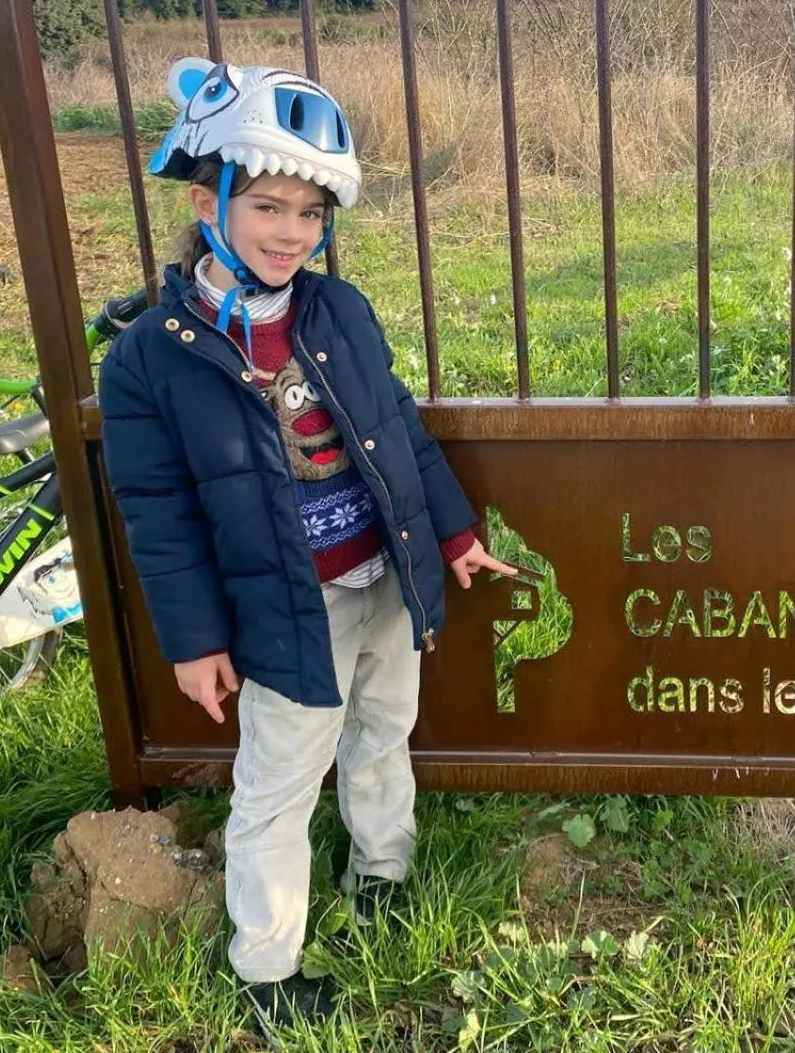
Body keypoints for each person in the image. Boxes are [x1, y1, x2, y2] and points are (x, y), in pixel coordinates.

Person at [99, 57, 515, 1026]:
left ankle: (382, 875)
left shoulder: (339, 313)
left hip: (381, 582)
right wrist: (195, 643)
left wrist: (450, 535)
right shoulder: (151, 360)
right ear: (209, 201)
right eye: (269, 209)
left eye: (311, 214)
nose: (292, 234)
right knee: (279, 784)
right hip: (284, 610)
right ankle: (266, 970)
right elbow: (156, 514)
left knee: (382, 735)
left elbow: (400, 431)